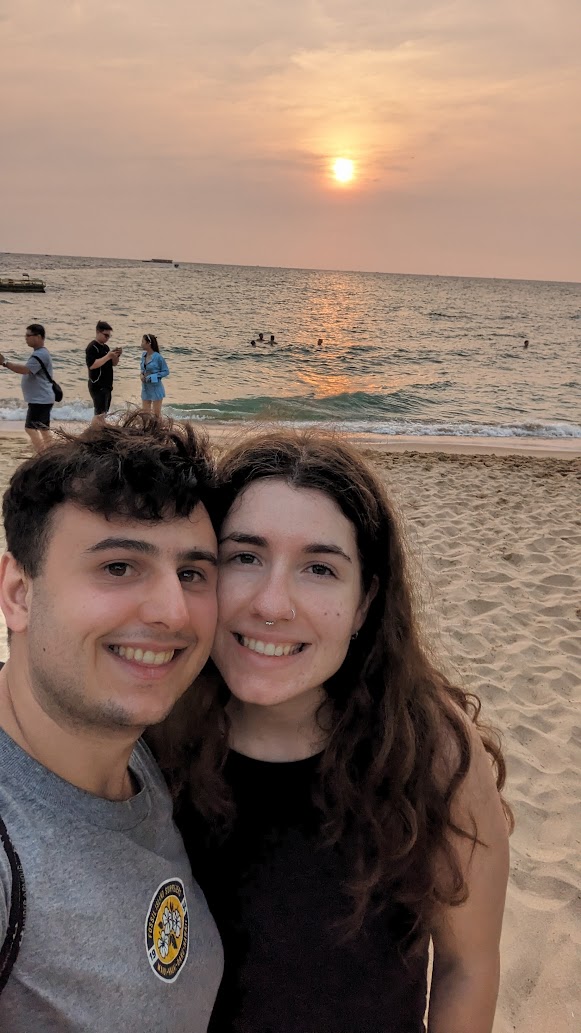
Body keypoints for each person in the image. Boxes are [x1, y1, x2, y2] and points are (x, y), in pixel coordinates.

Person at [153, 430, 512, 1033]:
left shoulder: (429, 750)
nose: (272, 603)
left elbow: (467, 965)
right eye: (244, 556)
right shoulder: (150, 734)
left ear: (365, 603)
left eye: (319, 568)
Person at [0, 412, 223, 1031]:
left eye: (193, 574)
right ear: (19, 592)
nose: (173, 612)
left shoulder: (145, 751)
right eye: (119, 567)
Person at [0, 324, 55, 453]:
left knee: (30, 428)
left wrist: (4, 363)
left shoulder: (40, 355)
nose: (26, 338)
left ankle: (42, 453)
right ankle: (51, 452)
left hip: (40, 399)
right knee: (43, 428)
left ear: (39, 337)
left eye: (28, 335)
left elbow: (25, 370)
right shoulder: (41, 353)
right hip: (43, 397)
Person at [85, 320, 122, 424]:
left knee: (104, 413)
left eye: (109, 336)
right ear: (98, 332)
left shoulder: (106, 348)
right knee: (99, 414)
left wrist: (116, 355)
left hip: (107, 384)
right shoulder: (92, 347)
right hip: (97, 384)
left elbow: (113, 364)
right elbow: (92, 365)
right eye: (105, 335)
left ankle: (98, 432)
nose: (107, 338)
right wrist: (108, 356)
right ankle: (93, 433)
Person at [140, 333, 170, 416]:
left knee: (156, 415)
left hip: (156, 387)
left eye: (143, 342)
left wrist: (152, 377)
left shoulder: (158, 357)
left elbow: (166, 371)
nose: (141, 344)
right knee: (145, 414)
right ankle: (146, 428)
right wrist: (141, 375)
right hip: (145, 387)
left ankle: (156, 428)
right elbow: (142, 369)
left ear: (149, 343)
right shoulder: (143, 355)